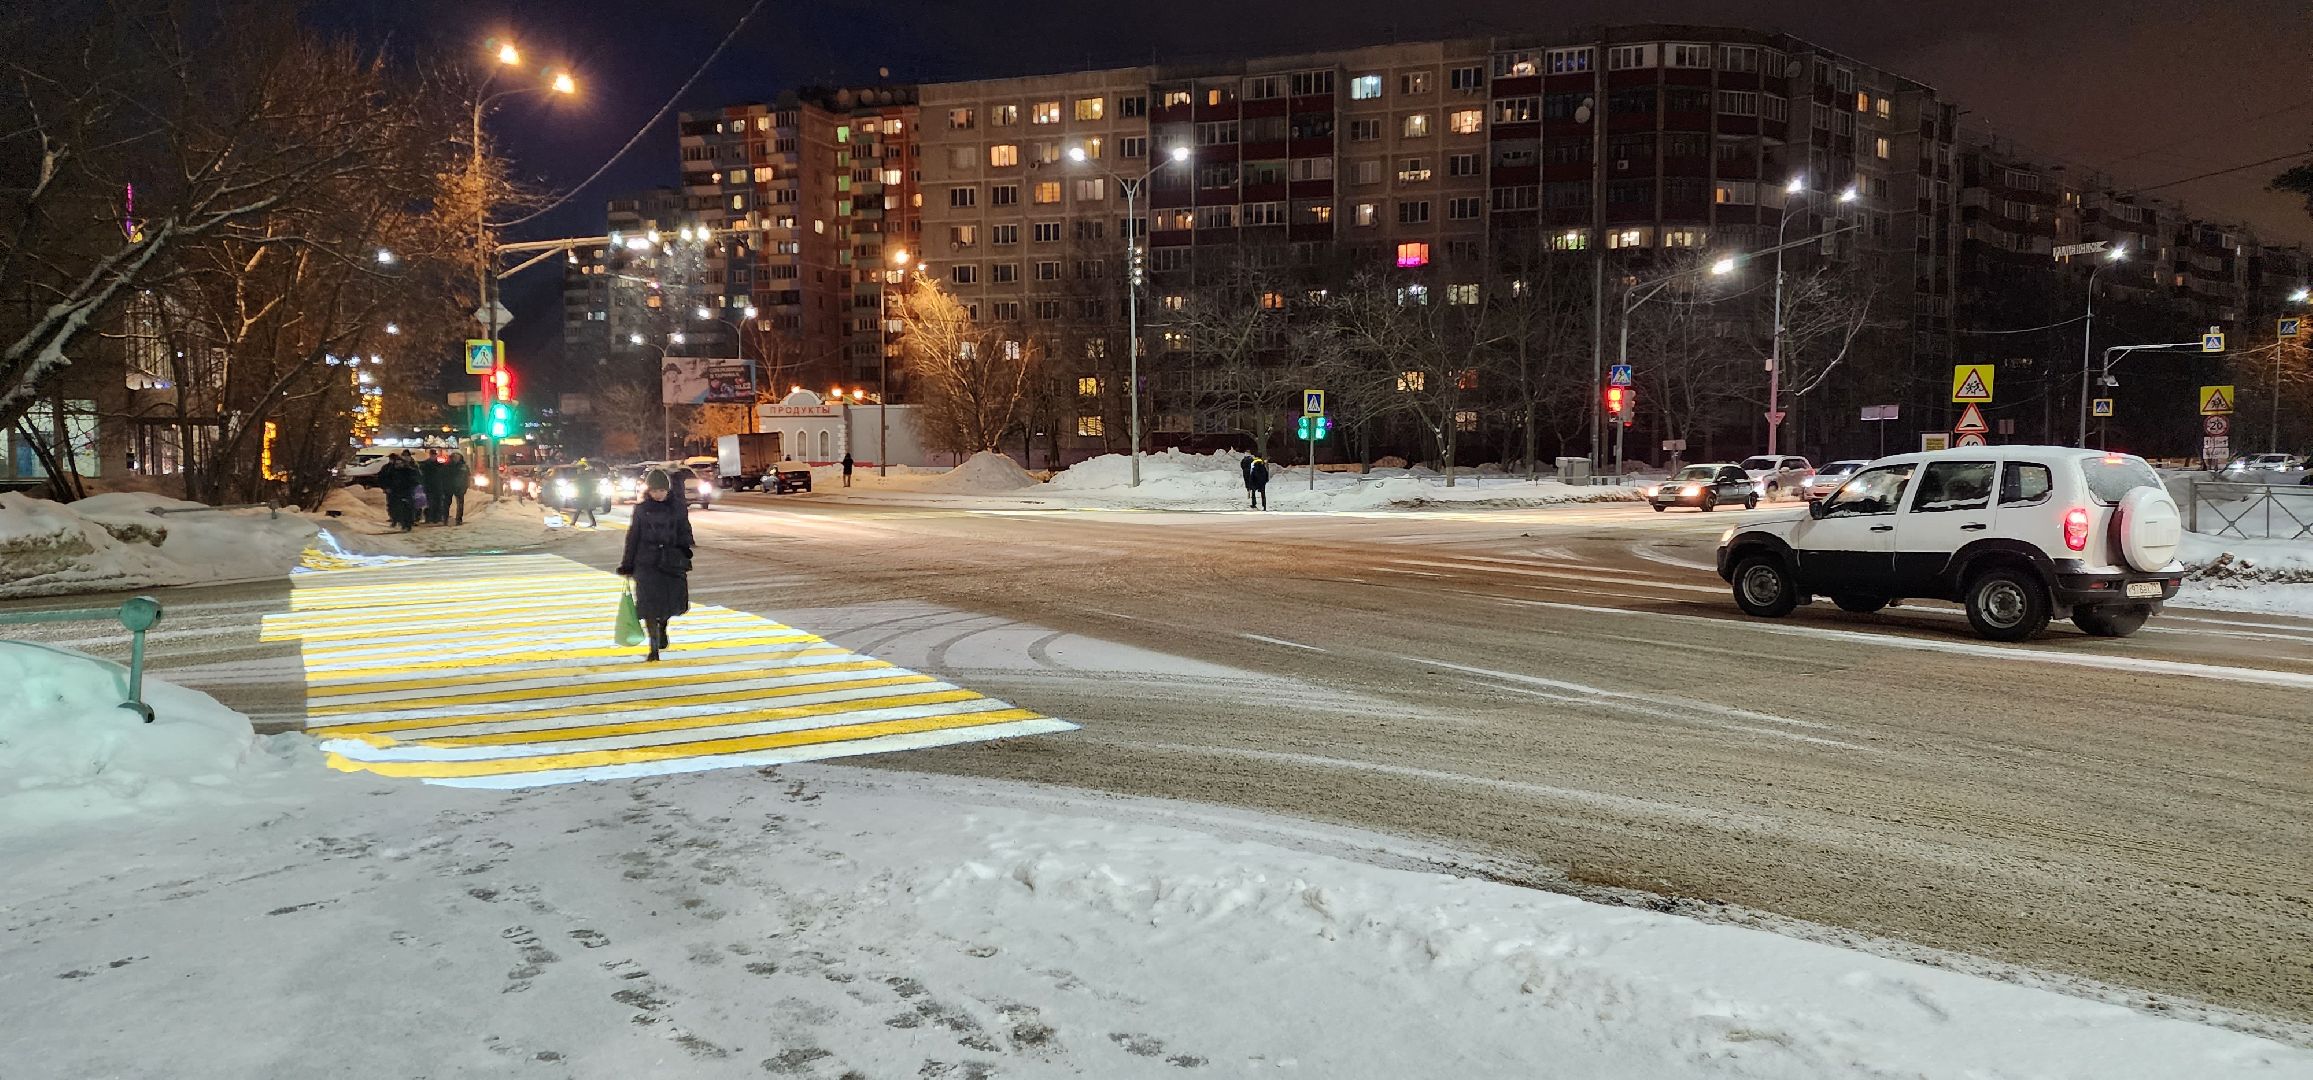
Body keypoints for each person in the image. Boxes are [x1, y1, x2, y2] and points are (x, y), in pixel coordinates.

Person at [618, 468, 694, 662]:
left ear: (667, 490)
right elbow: (633, 537)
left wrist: (684, 551)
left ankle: (662, 627)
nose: (658, 494)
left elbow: (685, 531)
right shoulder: (641, 509)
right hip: (646, 562)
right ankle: (653, 647)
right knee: (648, 606)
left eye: (661, 490)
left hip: (671, 562)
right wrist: (627, 564)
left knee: (668, 604)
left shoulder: (678, 507)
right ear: (648, 491)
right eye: (654, 491)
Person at [381, 452, 418, 532]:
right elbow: (385, 479)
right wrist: (386, 487)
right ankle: (400, 523)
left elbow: (415, 480)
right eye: (396, 463)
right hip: (395, 492)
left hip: (406, 492)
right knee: (397, 508)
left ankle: (407, 525)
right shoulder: (391, 470)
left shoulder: (408, 471)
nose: (398, 465)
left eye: (399, 463)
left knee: (407, 508)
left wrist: (410, 487)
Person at [418, 451, 445, 525]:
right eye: (432, 455)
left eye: (434, 455)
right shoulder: (425, 464)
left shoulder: (440, 464)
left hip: (438, 487)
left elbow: (443, 475)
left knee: (438, 503)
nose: (433, 456)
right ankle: (430, 518)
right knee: (430, 503)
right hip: (429, 487)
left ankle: (438, 518)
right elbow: (423, 476)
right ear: (430, 455)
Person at [571, 462, 599, 528]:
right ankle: (593, 522)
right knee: (586, 509)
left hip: (584, 495)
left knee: (579, 509)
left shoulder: (583, 476)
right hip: (584, 495)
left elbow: (585, 485)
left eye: (579, 469)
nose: (578, 470)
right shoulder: (584, 476)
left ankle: (573, 522)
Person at [445, 452, 470, 524]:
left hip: (460, 488)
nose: (456, 458)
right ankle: (445, 518)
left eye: (457, 456)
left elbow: (467, 477)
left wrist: (465, 486)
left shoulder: (464, 466)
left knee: (460, 504)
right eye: (454, 456)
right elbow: (444, 476)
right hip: (449, 487)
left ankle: (459, 519)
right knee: (447, 504)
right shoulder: (447, 465)